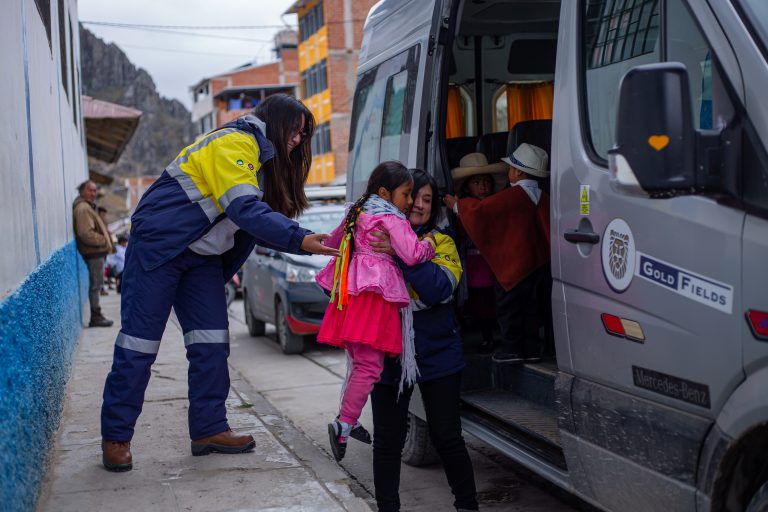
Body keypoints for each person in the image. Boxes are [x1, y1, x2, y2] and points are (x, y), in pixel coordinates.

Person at [100, 94, 338, 473]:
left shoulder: (265, 161)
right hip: (161, 248)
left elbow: (251, 224)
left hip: (201, 259)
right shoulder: (233, 143)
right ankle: (116, 437)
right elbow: (244, 209)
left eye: (303, 135)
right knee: (140, 344)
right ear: (276, 122)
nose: (298, 141)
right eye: (296, 131)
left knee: (211, 343)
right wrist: (300, 238)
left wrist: (298, 236)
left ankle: (209, 429)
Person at [369, 170, 479, 512]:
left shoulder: (442, 243)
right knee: (388, 442)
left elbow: (436, 290)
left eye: (428, 200)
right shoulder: (372, 239)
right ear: (398, 198)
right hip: (388, 354)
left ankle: (467, 506)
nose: (419, 205)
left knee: (447, 436)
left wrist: (402, 253)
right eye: (413, 195)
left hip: (438, 354)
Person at [315, 162, 436, 462]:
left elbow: (331, 243)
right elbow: (412, 254)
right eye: (407, 194)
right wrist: (430, 244)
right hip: (376, 297)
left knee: (359, 363)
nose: (410, 202)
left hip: (352, 296)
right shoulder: (392, 219)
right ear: (385, 193)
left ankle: (350, 417)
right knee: (370, 367)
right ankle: (343, 425)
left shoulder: (358, 211)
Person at [444, 143, 550, 364]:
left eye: (510, 168)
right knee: (531, 308)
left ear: (518, 172)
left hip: (513, 267)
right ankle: (531, 349)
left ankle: (511, 349)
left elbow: (481, 212)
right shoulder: (543, 195)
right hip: (537, 264)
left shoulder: (512, 196)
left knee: (508, 308)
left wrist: (456, 205)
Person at [445, 153, 507, 353]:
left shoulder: (497, 203)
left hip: (494, 264)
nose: (483, 187)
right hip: (474, 265)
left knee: (496, 301)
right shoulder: (462, 208)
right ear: (466, 187)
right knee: (480, 303)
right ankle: (486, 336)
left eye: (486, 182)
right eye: (477, 182)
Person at [73, 180, 115, 327]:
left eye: (94, 190)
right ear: (81, 191)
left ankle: (97, 314)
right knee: (96, 285)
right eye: (90, 190)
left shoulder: (86, 206)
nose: (93, 193)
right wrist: (104, 240)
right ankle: (96, 317)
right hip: (94, 252)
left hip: (95, 252)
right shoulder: (83, 208)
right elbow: (86, 233)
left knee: (96, 284)